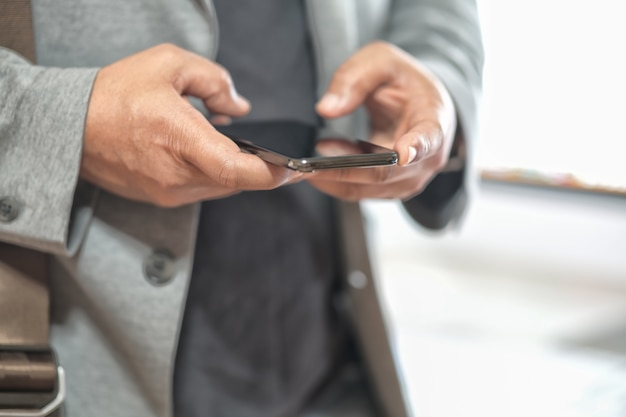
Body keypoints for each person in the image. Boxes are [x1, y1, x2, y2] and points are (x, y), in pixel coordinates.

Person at [0, 0, 484, 416]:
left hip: (333, 359)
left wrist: (439, 81)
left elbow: (436, 14)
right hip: (65, 364)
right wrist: (65, 120)